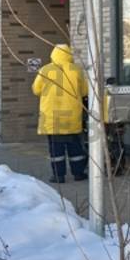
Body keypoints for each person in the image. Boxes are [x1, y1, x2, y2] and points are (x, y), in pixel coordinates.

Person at [33, 44, 88, 185]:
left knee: (56, 148)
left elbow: (36, 90)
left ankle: (59, 176)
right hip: (71, 115)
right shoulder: (76, 70)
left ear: (53, 54)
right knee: (75, 146)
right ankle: (78, 173)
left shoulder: (45, 70)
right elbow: (84, 91)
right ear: (69, 55)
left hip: (52, 116)